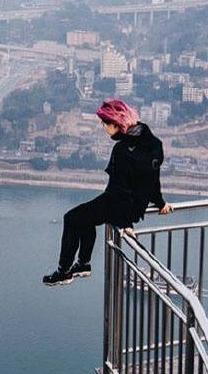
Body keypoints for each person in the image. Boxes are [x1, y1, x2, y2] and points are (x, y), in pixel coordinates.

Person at [43, 99, 173, 286]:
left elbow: (119, 188)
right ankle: (82, 264)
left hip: (118, 204)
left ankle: (64, 271)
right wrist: (161, 203)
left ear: (117, 123)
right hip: (130, 205)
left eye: (106, 123)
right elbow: (152, 180)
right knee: (85, 217)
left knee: (71, 218)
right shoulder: (154, 143)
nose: (104, 127)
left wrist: (125, 221)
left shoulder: (121, 150)